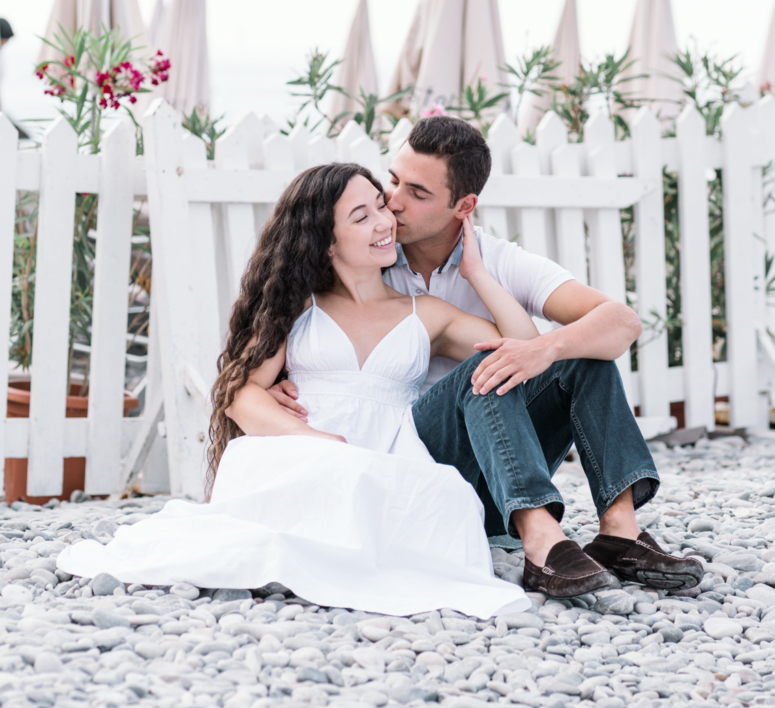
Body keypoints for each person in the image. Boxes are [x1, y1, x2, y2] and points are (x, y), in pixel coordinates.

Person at [59, 163, 540, 617]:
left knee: (444, 495)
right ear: (326, 243)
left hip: (389, 451)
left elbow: (522, 349)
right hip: (302, 444)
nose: (384, 221)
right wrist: (311, 440)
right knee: (309, 500)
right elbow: (240, 394)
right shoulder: (300, 307)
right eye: (362, 215)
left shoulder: (425, 313)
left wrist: (477, 272)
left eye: (380, 204)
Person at [267, 116, 705, 597]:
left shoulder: (499, 261)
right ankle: (540, 540)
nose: (392, 203)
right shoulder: (371, 254)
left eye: (417, 192)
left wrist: (540, 343)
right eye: (393, 180)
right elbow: (303, 331)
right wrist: (277, 384)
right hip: (416, 460)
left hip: (499, 473)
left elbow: (622, 322)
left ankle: (619, 531)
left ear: (464, 206)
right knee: (491, 364)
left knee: (581, 356)